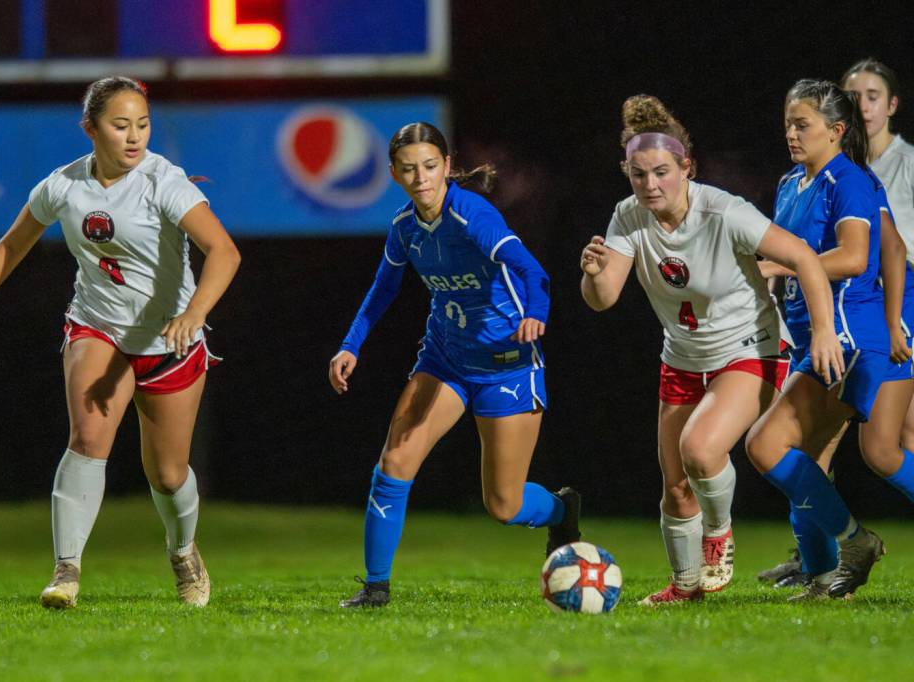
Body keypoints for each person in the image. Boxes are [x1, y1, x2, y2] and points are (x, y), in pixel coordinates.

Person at [0, 76, 241, 609]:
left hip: (167, 340)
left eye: (143, 124)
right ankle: (65, 571)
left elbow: (224, 251)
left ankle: (184, 553)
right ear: (90, 129)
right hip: (96, 327)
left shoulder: (166, 182)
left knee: (166, 474)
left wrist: (194, 312)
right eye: (121, 126)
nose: (135, 136)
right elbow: (11, 245)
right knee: (88, 439)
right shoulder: (63, 186)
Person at [579, 95, 841, 606]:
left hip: (751, 351)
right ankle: (685, 588)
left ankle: (719, 533)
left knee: (700, 450)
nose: (650, 184)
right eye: (638, 175)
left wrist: (825, 331)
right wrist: (591, 276)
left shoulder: (725, 211)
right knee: (675, 486)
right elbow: (603, 299)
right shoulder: (628, 216)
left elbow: (805, 259)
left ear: (686, 167)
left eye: (661, 172)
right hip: (682, 359)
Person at [329, 122, 580, 608]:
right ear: (394, 175)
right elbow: (382, 290)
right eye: (408, 170)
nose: (420, 178)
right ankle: (376, 587)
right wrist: (350, 345)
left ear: (446, 167)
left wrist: (535, 314)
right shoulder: (405, 227)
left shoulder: (472, 216)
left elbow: (534, 272)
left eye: (429, 166)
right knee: (395, 460)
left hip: (506, 364)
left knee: (503, 505)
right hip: (444, 358)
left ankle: (561, 511)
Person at [758, 60, 914, 589]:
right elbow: (778, 259)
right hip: (814, 336)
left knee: (876, 449)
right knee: (809, 454)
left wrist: (895, 323)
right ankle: (825, 564)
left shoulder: (849, 180)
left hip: (850, 336)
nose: (791, 133)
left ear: (836, 130)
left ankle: (845, 548)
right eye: (787, 123)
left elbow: (857, 256)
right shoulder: (789, 184)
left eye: (802, 124)